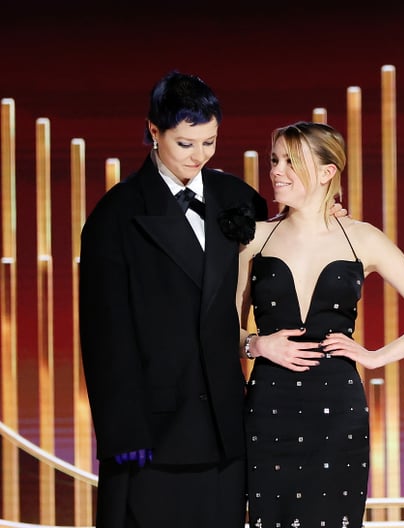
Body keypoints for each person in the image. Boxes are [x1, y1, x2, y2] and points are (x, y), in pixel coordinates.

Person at [236, 121, 404, 528]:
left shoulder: (362, 238)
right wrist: (257, 345)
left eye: (290, 162)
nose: (276, 171)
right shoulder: (256, 239)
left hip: (336, 413)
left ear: (326, 172)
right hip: (268, 409)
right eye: (274, 160)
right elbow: (221, 330)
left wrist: (376, 356)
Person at [79, 71, 271, 527]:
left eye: (209, 142)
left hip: (226, 421)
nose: (199, 156)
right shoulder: (117, 214)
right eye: (186, 143)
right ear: (153, 131)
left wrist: (324, 216)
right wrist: (122, 428)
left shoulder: (237, 198)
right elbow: (104, 332)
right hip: (153, 427)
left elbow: (276, 247)